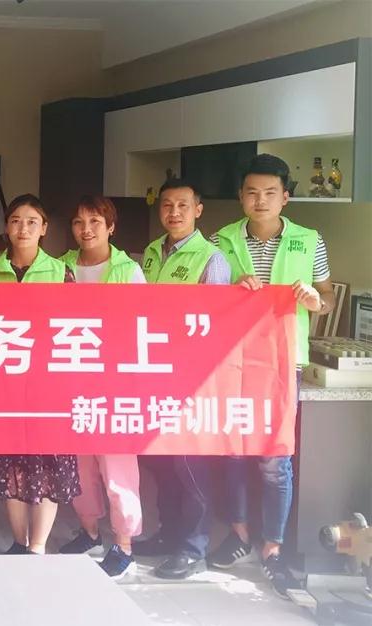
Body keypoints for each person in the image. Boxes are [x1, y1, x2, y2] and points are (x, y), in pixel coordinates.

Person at [207, 154, 334, 598]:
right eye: (251, 192)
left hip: (283, 361)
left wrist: (314, 300)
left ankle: (273, 547)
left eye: (269, 193)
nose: (260, 200)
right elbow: (205, 299)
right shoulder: (220, 240)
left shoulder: (309, 240)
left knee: (274, 458)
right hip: (231, 359)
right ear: (241, 196)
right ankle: (240, 534)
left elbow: (326, 296)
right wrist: (229, 291)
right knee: (232, 451)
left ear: (285, 198)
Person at [133, 178, 231, 580]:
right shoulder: (152, 252)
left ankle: (193, 548)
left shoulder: (211, 258)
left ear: (198, 210)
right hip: (154, 372)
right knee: (159, 462)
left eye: (183, 206)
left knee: (190, 465)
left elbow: (216, 324)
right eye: (167, 205)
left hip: (192, 378)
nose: (174, 212)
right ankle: (168, 533)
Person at [0, 193, 80, 555]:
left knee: (47, 460)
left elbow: (73, 324)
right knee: (9, 461)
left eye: (32, 222)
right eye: (16, 221)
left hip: (47, 383)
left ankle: (37, 545)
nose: (23, 229)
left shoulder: (60, 272)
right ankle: (18, 542)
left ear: (44, 229)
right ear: (6, 227)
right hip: (3, 379)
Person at [55, 195, 144, 578]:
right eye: (78, 222)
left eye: (95, 221)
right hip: (72, 379)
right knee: (79, 465)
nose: (86, 229)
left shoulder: (129, 270)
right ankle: (89, 532)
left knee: (117, 467)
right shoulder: (58, 267)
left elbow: (142, 324)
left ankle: (124, 545)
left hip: (115, 383)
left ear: (111, 227)